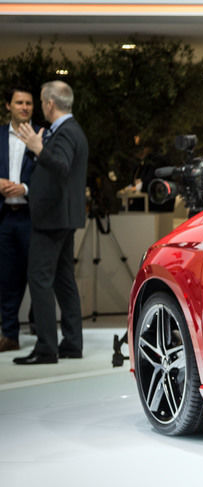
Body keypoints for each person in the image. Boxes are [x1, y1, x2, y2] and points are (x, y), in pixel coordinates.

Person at [11, 80, 88, 365]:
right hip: (61, 217)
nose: (41, 107)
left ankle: (46, 348)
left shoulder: (66, 131)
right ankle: (72, 343)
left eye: (42, 102)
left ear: (50, 103)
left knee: (40, 278)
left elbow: (61, 166)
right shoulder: (70, 130)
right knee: (63, 279)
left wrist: (38, 148)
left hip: (53, 218)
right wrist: (39, 149)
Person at [1, 86, 42, 353]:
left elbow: (49, 175)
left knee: (38, 276)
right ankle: (9, 335)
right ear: (9, 106)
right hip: (4, 218)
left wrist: (25, 188)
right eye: (19, 102)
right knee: (7, 278)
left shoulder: (41, 136)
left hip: (32, 217)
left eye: (28, 103)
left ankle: (41, 332)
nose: (24, 107)